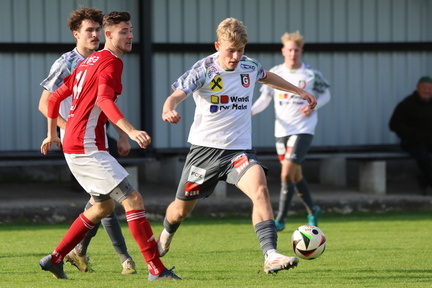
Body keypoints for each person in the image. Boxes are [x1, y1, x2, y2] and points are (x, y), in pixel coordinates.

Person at [157, 18, 317, 275]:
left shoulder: (250, 66)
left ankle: (271, 255)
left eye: (240, 50)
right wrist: (168, 108)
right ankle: (166, 233)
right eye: (230, 50)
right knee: (180, 211)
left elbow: (268, 77)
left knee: (261, 190)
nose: (235, 56)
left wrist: (300, 92)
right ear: (218, 45)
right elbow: (177, 94)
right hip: (204, 153)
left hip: (239, 152)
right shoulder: (204, 69)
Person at [38, 11, 181, 281]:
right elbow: (104, 100)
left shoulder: (87, 62)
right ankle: (156, 269)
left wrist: (53, 133)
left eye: (131, 30)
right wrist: (130, 130)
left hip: (80, 145)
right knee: (133, 199)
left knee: (102, 207)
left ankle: (55, 258)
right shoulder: (111, 62)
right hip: (86, 147)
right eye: (124, 31)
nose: (130, 36)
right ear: (109, 35)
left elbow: (56, 98)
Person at [38, 6, 136, 275]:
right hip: (78, 142)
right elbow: (46, 102)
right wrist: (63, 130)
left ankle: (72, 252)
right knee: (112, 198)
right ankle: (125, 258)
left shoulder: (101, 59)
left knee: (102, 201)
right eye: (88, 30)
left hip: (95, 137)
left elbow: (107, 102)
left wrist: (122, 135)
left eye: (96, 30)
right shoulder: (68, 63)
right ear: (76, 34)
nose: (94, 35)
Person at [251, 31, 331, 231]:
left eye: (296, 50)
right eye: (290, 50)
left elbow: (326, 94)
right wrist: (250, 111)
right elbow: (265, 99)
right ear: (283, 51)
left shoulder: (311, 73)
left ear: (301, 51)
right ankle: (313, 210)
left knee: (286, 174)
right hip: (282, 129)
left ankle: (280, 220)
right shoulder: (275, 73)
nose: (293, 53)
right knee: (295, 175)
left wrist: (314, 105)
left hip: (303, 128)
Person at [389, 76, 432, 195]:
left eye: (430, 89)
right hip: (413, 141)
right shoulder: (407, 104)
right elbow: (394, 124)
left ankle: (424, 181)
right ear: (417, 88)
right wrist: (412, 134)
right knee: (423, 158)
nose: (427, 91)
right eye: (425, 88)